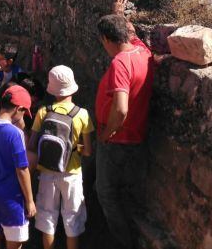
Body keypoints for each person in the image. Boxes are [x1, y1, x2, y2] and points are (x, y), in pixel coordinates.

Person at [94, 14, 155, 249]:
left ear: (106, 39)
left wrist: (106, 134)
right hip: (136, 136)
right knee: (127, 194)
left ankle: (121, 242)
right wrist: (118, 14)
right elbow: (131, 32)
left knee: (106, 193)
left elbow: (120, 109)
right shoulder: (143, 52)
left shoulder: (120, 62)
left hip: (117, 139)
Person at [30, 66, 93, 249]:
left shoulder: (43, 112)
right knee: (72, 220)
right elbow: (88, 151)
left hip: (46, 172)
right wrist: (73, 149)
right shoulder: (82, 114)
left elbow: (32, 144)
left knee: (47, 219)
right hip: (72, 174)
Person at [0, 85, 36, 249]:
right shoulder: (15, 134)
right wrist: (30, 201)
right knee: (15, 244)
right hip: (13, 196)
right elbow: (22, 169)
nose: (23, 116)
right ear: (18, 109)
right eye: (24, 112)